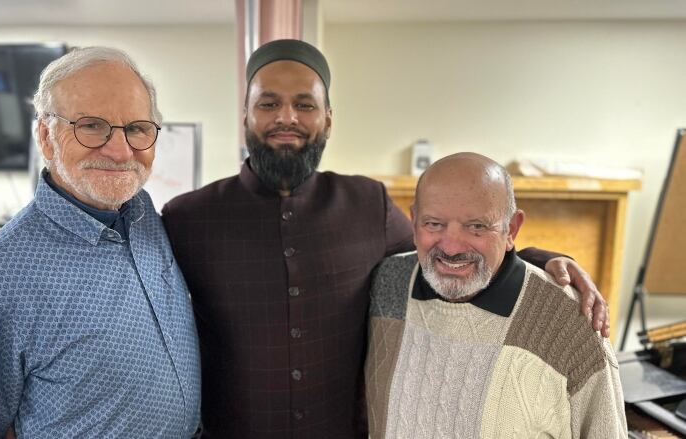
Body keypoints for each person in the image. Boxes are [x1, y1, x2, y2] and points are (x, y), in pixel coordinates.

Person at [162, 39, 609, 438]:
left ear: (328, 119)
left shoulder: (366, 203)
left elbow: (442, 256)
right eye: (268, 104)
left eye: (305, 104)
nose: (287, 118)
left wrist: (534, 256)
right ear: (244, 115)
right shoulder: (189, 218)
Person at [0, 47, 200, 438]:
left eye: (137, 128)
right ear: (46, 136)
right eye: (92, 126)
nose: (119, 151)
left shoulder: (143, 214)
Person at [365, 152, 626, 438]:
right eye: (434, 224)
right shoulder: (388, 282)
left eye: (476, 226)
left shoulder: (571, 321)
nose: (451, 247)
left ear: (511, 229)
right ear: (414, 221)